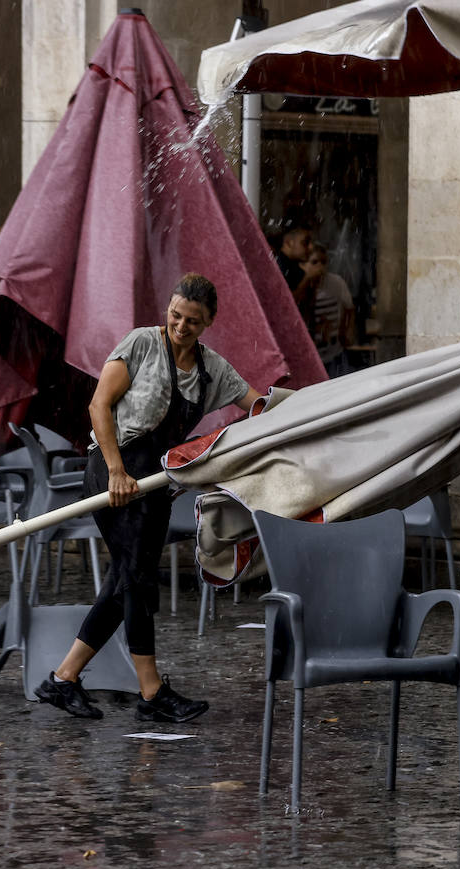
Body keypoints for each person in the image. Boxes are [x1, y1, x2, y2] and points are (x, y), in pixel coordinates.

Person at [35, 273, 261, 722]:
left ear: (209, 321)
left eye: (193, 321)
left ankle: (62, 680)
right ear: (168, 310)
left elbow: (255, 403)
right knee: (135, 581)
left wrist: (301, 413)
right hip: (114, 473)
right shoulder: (140, 344)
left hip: (154, 483)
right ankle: (151, 693)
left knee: (125, 583)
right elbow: (99, 405)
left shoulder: (212, 369)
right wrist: (116, 471)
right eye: (176, 315)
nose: (181, 325)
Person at [305, 242, 355, 377]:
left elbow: (349, 308)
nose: (319, 266)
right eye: (314, 262)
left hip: (334, 350)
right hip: (311, 352)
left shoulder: (335, 282)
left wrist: (346, 331)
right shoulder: (301, 285)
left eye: (323, 262)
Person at [274, 225, 319, 327]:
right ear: (289, 242)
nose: (311, 247)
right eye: (305, 243)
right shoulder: (278, 266)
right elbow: (286, 304)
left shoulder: (295, 265)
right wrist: (307, 278)